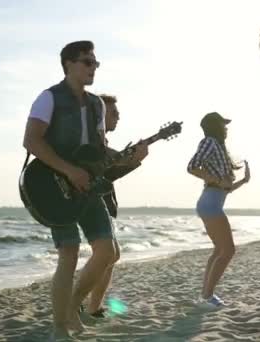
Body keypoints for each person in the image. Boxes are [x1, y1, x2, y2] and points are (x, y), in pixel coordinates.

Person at [22, 41, 144, 339]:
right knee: (70, 253)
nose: (93, 68)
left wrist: (130, 159)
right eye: (87, 62)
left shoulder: (97, 105)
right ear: (68, 64)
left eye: (95, 63)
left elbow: (99, 152)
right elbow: (32, 141)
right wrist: (68, 170)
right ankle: (59, 327)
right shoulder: (48, 98)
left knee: (107, 251)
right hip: (53, 185)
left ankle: (73, 307)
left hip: (88, 187)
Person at [78, 94, 148, 318]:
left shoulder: (102, 145)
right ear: (99, 115)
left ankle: (93, 306)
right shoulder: (88, 142)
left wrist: (135, 159)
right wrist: (134, 161)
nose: (119, 117)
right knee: (107, 253)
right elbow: (106, 174)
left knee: (112, 255)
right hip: (87, 201)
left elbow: (108, 175)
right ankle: (77, 301)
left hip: (102, 201)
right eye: (114, 113)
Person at [187, 112, 250, 308]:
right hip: (210, 203)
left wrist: (244, 181)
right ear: (215, 126)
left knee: (219, 250)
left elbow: (226, 188)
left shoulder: (218, 147)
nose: (226, 128)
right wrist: (215, 180)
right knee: (228, 250)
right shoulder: (209, 142)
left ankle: (205, 295)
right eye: (224, 124)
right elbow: (191, 167)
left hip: (212, 200)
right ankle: (207, 296)